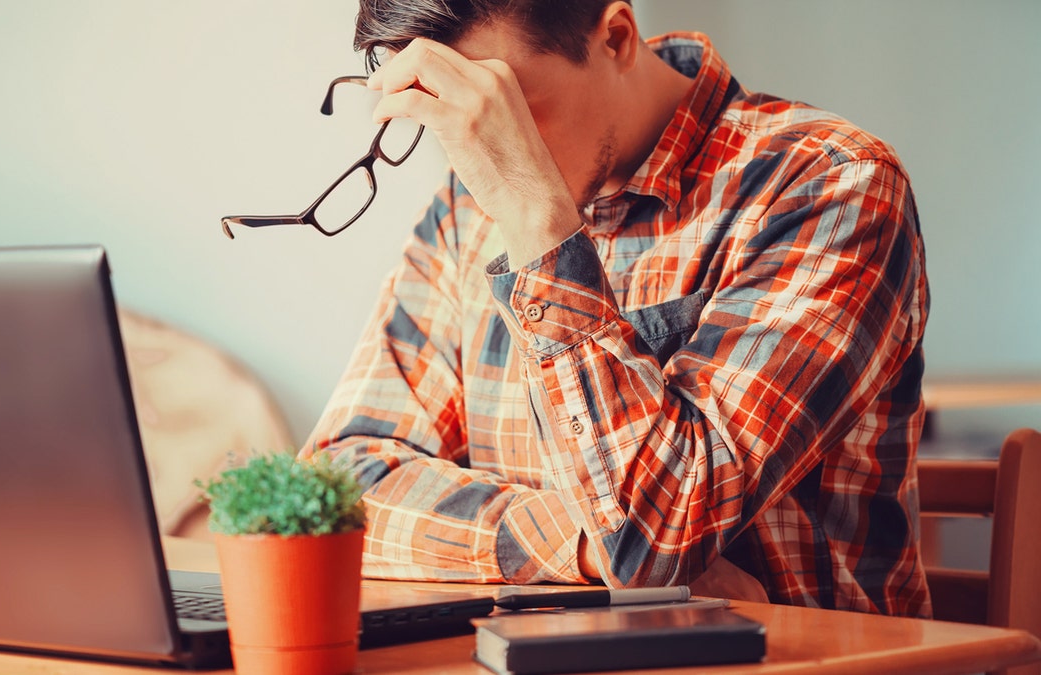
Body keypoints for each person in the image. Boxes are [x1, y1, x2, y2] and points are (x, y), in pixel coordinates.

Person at [302, 0, 931, 617]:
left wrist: (535, 218)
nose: (481, 159)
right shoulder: (463, 216)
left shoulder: (831, 183)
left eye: (507, 110)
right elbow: (336, 484)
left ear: (619, 37)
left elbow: (653, 540)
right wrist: (578, 544)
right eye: (457, 116)